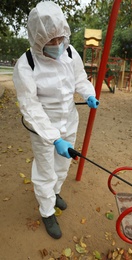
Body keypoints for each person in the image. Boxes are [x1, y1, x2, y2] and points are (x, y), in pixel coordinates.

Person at [13, 1, 99, 239]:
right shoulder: (26, 64)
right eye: (51, 41)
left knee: (63, 164)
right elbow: (30, 107)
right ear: (38, 38)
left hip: (69, 121)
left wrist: (89, 93)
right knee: (45, 170)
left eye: (60, 38)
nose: (57, 45)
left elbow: (80, 78)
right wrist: (53, 138)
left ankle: (55, 192)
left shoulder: (70, 53)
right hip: (42, 128)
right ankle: (47, 210)